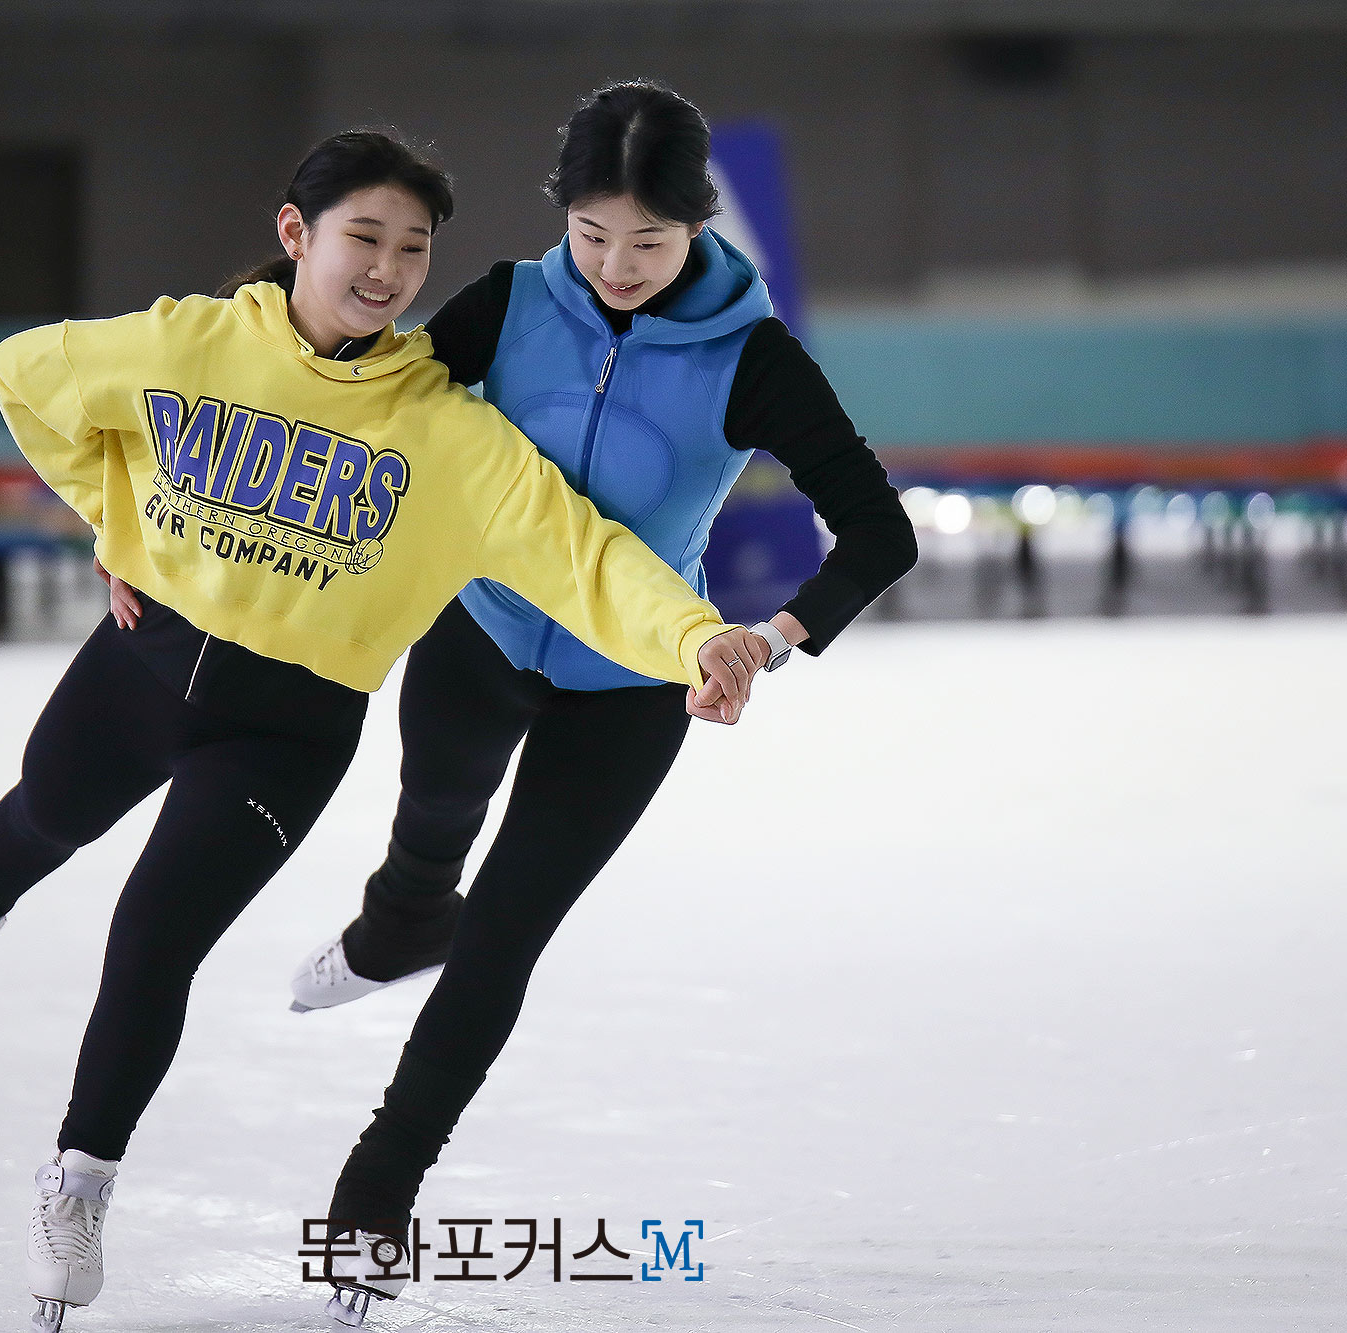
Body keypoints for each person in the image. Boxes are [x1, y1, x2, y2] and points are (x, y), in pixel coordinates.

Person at [0, 129, 766, 1333]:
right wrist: (111, 512)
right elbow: (26, 374)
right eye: (364, 236)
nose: (388, 269)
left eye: (412, 249)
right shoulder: (189, 344)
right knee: (43, 814)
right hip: (138, 667)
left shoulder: (444, 434)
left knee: (151, 933)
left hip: (286, 733)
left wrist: (694, 638)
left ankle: (77, 1180)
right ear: (294, 233)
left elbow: (587, 558)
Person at [272, 84, 919, 1326]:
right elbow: (352, 404)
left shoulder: (751, 355)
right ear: (559, 218)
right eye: (592, 236)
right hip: (479, 634)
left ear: (695, 229)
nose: (617, 268)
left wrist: (767, 641)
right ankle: (399, 917)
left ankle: (376, 1185)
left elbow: (877, 531)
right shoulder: (507, 305)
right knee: (432, 827)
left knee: (506, 932)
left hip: (632, 682)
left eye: (650, 243)